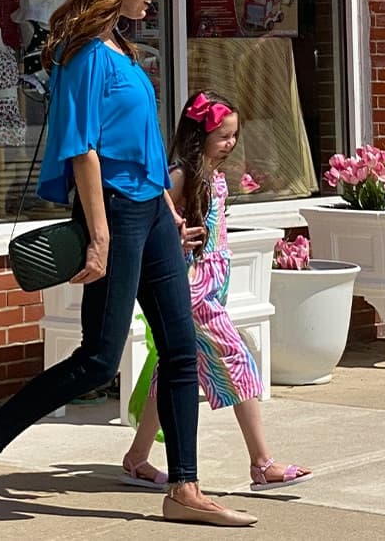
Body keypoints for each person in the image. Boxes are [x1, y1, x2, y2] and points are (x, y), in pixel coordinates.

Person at [0, 0, 254, 527]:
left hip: (150, 208)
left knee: (181, 349)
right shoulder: (84, 54)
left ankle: (185, 489)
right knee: (98, 359)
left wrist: (169, 207)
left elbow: (138, 145)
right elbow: (82, 149)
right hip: (112, 209)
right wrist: (101, 233)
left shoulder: (123, 50)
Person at [122, 91, 311, 493]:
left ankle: (137, 458)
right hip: (192, 287)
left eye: (234, 135)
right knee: (237, 357)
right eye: (223, 135)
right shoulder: (180, 176)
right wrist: (175, 238)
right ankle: (262, 463)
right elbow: (152, 223)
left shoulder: (211, 174)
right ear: (199, 135)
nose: (231, 143)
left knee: (173, 369)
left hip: (213, 282)